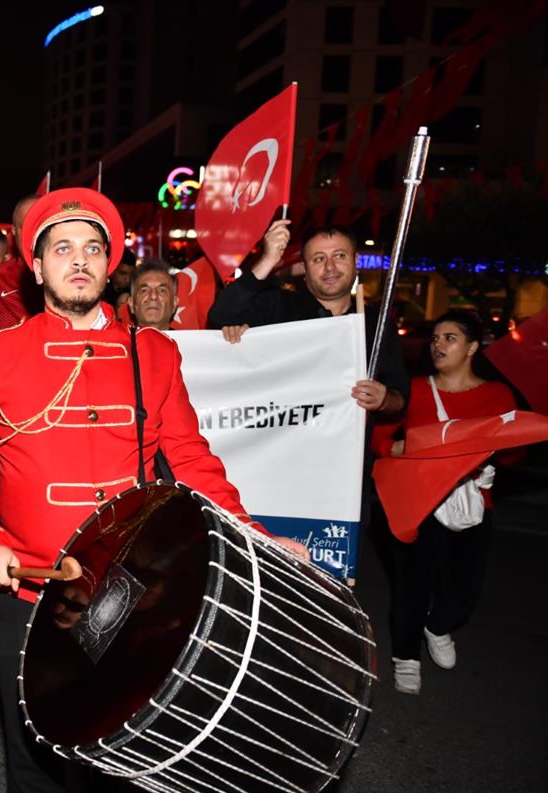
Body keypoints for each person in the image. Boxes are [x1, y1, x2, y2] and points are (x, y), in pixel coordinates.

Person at [0, 187, 308, 793]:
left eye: (92, 249)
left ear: (110, 267)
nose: (78, 261)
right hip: (30, 586)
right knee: (34, 744)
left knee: (118, 716)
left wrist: (256, 537)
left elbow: (192, 462)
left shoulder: (154, 353)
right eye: (62, 249)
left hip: (125, 585)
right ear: (37, 267)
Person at [377, 311, 517, 695]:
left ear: (473, 347)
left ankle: (438, 626)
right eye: (436, 338)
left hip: (471, 506)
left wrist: (501, 452)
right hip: (417, 505)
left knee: (463, 592)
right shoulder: (416, 389)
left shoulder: (496, 396)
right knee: (411, 586)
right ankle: (405, 657)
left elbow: (512, 455)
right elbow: (381, 437)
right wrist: (397, 447)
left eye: (450, 338)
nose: (438, 344)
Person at [207, 220, 409, 416]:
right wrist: (267, 260)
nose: (330, 267)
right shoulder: (276, 307)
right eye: (319, 259)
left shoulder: (378, 325)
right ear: (304, 268)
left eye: (339, 255)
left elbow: (399, 398)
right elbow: (220, 315)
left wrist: (384, 401)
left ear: (356, 262)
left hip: (347, 448)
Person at [0, 195, 41, 329]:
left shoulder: (73, 276)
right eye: (27, 226)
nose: (34, 233)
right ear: (14, 231)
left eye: (40, 226)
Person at [127, 261, 177, 330]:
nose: (153, 296)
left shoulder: (189, 340)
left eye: (162, 290)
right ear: (131, 304)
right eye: (144, 290)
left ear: (174, 303)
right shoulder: (116, 340)